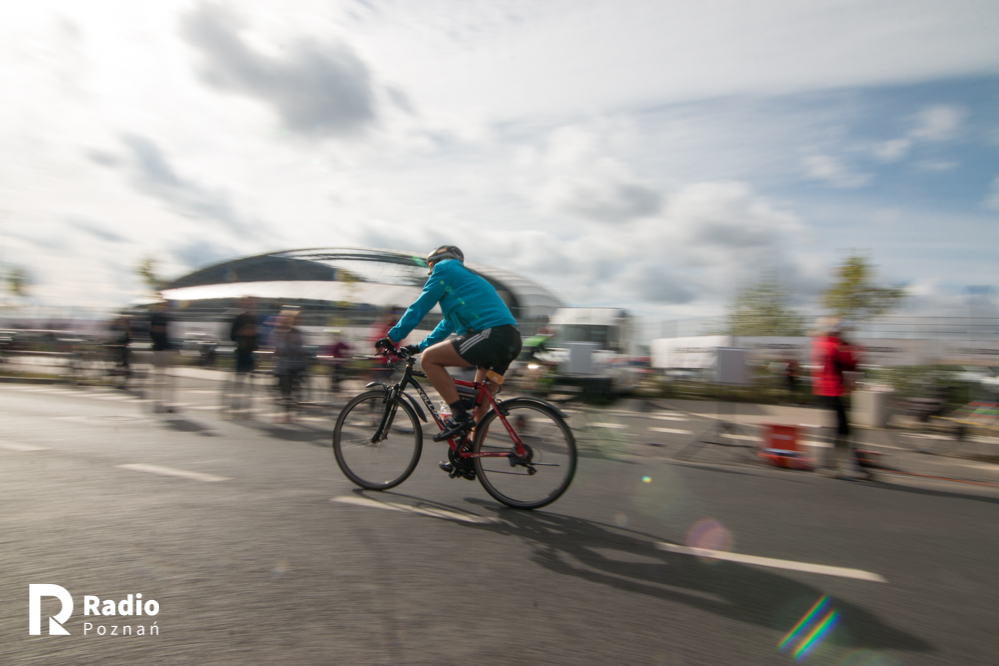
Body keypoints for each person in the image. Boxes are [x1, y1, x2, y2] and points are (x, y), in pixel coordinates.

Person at [375, 246, 522, 473]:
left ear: (436, 261)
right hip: (509, 339)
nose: (430, 272)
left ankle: (459, 416)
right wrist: (417, 346)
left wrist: (392, 338)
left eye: (429, 266)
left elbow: (420, 306)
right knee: (482, 404)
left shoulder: (444, 269)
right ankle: (469, 459)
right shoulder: (463, 282)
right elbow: (447, 325)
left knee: (429, 360)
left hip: (492, 335)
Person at [810, 317, 867, 479]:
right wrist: (856, 349)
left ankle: (841, 465)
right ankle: (836, 465)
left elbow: (848, 360)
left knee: (842, 428)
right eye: (839, 330)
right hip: (831, 391)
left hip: (828, 391)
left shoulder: (823, 343)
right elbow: (851, 360)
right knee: (842, 428)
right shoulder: (832, 345)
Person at [273, 309, 307, 423]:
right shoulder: (281, 332)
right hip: (285, 366)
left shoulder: (296, 332)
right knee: (286, 390)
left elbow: (301, 347)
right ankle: (288, 413)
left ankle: (292, 413)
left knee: (293, 389)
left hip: (295, 365)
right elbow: (278, 347)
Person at [228, 297, 259, 415]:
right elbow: (232, 335)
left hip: (251, 352)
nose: (249, 304)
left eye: (251, 302)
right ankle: (236, 404)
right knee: (239, 380)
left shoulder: (253, 318)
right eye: (247, 302)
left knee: (250, 380)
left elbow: (257, 335)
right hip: (241, 352)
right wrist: (244, 332)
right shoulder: (239, 318)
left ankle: (248, 405)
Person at [148, 300, 175, 413]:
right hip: (160, 349)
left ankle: (166, 402)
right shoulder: (158, 317)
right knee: (160, 377)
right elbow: (154, 331)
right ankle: (158, 402)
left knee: (167, 378)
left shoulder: (167, 317)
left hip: (165, 349)